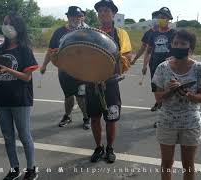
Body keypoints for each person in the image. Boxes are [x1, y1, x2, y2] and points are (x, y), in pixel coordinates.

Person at [152, 29, 201, 180]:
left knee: (189, 165)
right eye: (175, 43)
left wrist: (188, 94)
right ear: (171, 45)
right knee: (166, 163)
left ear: (190, 48)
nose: (178, 46)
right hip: (167, 122)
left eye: (183, 43)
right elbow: (158, 98)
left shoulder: (200, 68)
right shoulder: (162, 68)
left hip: (190, 123)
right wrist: (170, 91)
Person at [0, 12, 38, 180]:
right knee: (7, 136)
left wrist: (8, 69)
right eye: (4, 23)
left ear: (18, 27)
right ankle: (14, 168)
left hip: (20, 99)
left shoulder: (25, 49)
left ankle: (31, 169)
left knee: (25, 135)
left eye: (9, 23)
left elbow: (27, 77)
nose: (6, 26)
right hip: (1, 98)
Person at [87, 0, 132, 163]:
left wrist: (116, 63)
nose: (103, 13)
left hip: (111, 83)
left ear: (113, 14)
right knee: (94, 117)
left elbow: (127, 56)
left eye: (106, 10)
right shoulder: (90, 32)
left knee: (111, 118)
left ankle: (110, 148)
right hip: (91, 82)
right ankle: (98, 147)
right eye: (100, 11)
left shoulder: (121, 33)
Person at [40, 6, 91, 130]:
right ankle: (67, 116)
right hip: (64, 70)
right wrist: (44, 65)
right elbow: (51, 51)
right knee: (68, 96)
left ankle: (86, 118)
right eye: (73, 16)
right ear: (68, 17)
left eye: (79, 16)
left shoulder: (86, 31)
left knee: (81, 96)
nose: (77, 18)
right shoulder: (59, 32)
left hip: (81, 71)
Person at [146, 7, 175, 112]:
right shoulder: (153, 33)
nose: (160, 19)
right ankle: (158, 103)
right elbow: (148, 50)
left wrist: (174, 57)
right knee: (156, 88)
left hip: (169, 67)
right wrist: (145, 65)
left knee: (168, 90)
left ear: (168, 19)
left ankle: (163, 113)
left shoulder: (173, 33)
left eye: (163, 17)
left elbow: (179, 49)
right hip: (154, 65)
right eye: (159, 17)